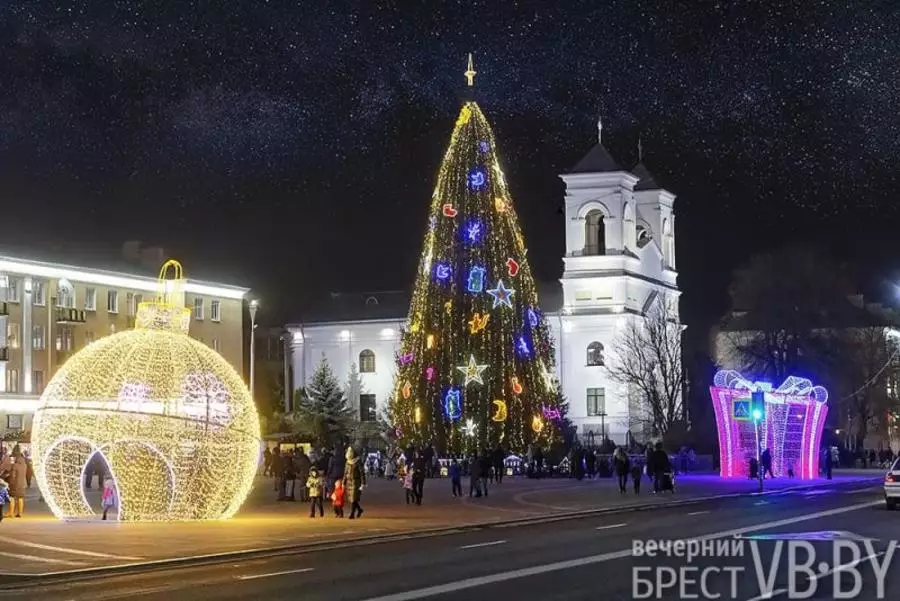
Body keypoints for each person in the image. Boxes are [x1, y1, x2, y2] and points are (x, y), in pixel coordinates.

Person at [0, 450, 27, 518]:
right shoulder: (25, 465)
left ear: (16, 457)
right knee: (20, 498)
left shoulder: (15, 465)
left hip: (15, 484)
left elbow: (13, 476)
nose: (13, 458)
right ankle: (20, 513)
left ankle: (11, 513)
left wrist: (8, 480)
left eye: (14, 457)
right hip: (22, 484)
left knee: (11, 497)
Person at [344, 447, 366, 519]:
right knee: (352, 499)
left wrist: (363, 483)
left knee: (353, 497)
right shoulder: (347, 462)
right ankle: (359, 510)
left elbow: (362, 472)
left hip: (356, 481)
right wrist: (343, 482)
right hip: (349, 481)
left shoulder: (358, 461)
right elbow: (345, 472)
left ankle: (352, 513)